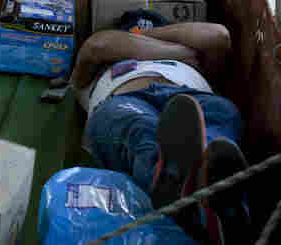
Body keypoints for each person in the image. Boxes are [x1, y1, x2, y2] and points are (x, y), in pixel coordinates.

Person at [71, 20, 254, 244]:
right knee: (141, 130)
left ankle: (214, 191)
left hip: (195, 100)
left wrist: (139, 37)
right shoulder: (95, 65)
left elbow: (219, 35)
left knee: (219, 133)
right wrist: (182, 52)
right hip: (125, 99)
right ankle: (178, 184)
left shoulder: (137, 45)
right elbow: (98, 45)